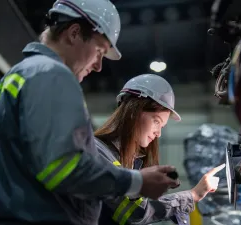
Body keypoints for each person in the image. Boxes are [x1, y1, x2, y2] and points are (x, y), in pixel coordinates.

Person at [0, 0, 178, 224]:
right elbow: (62, 168)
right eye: (99, 50)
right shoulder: (52, 75)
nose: (99, 65)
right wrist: (136, 182)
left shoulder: (18, 75)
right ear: (74, 33)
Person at [94, 74, 226, 225]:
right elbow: (134, 212)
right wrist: (192, 195)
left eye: (161, 126)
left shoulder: (132, 162)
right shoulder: (97, 152)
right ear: (133, 111)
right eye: (156, 121)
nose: (159, 133)